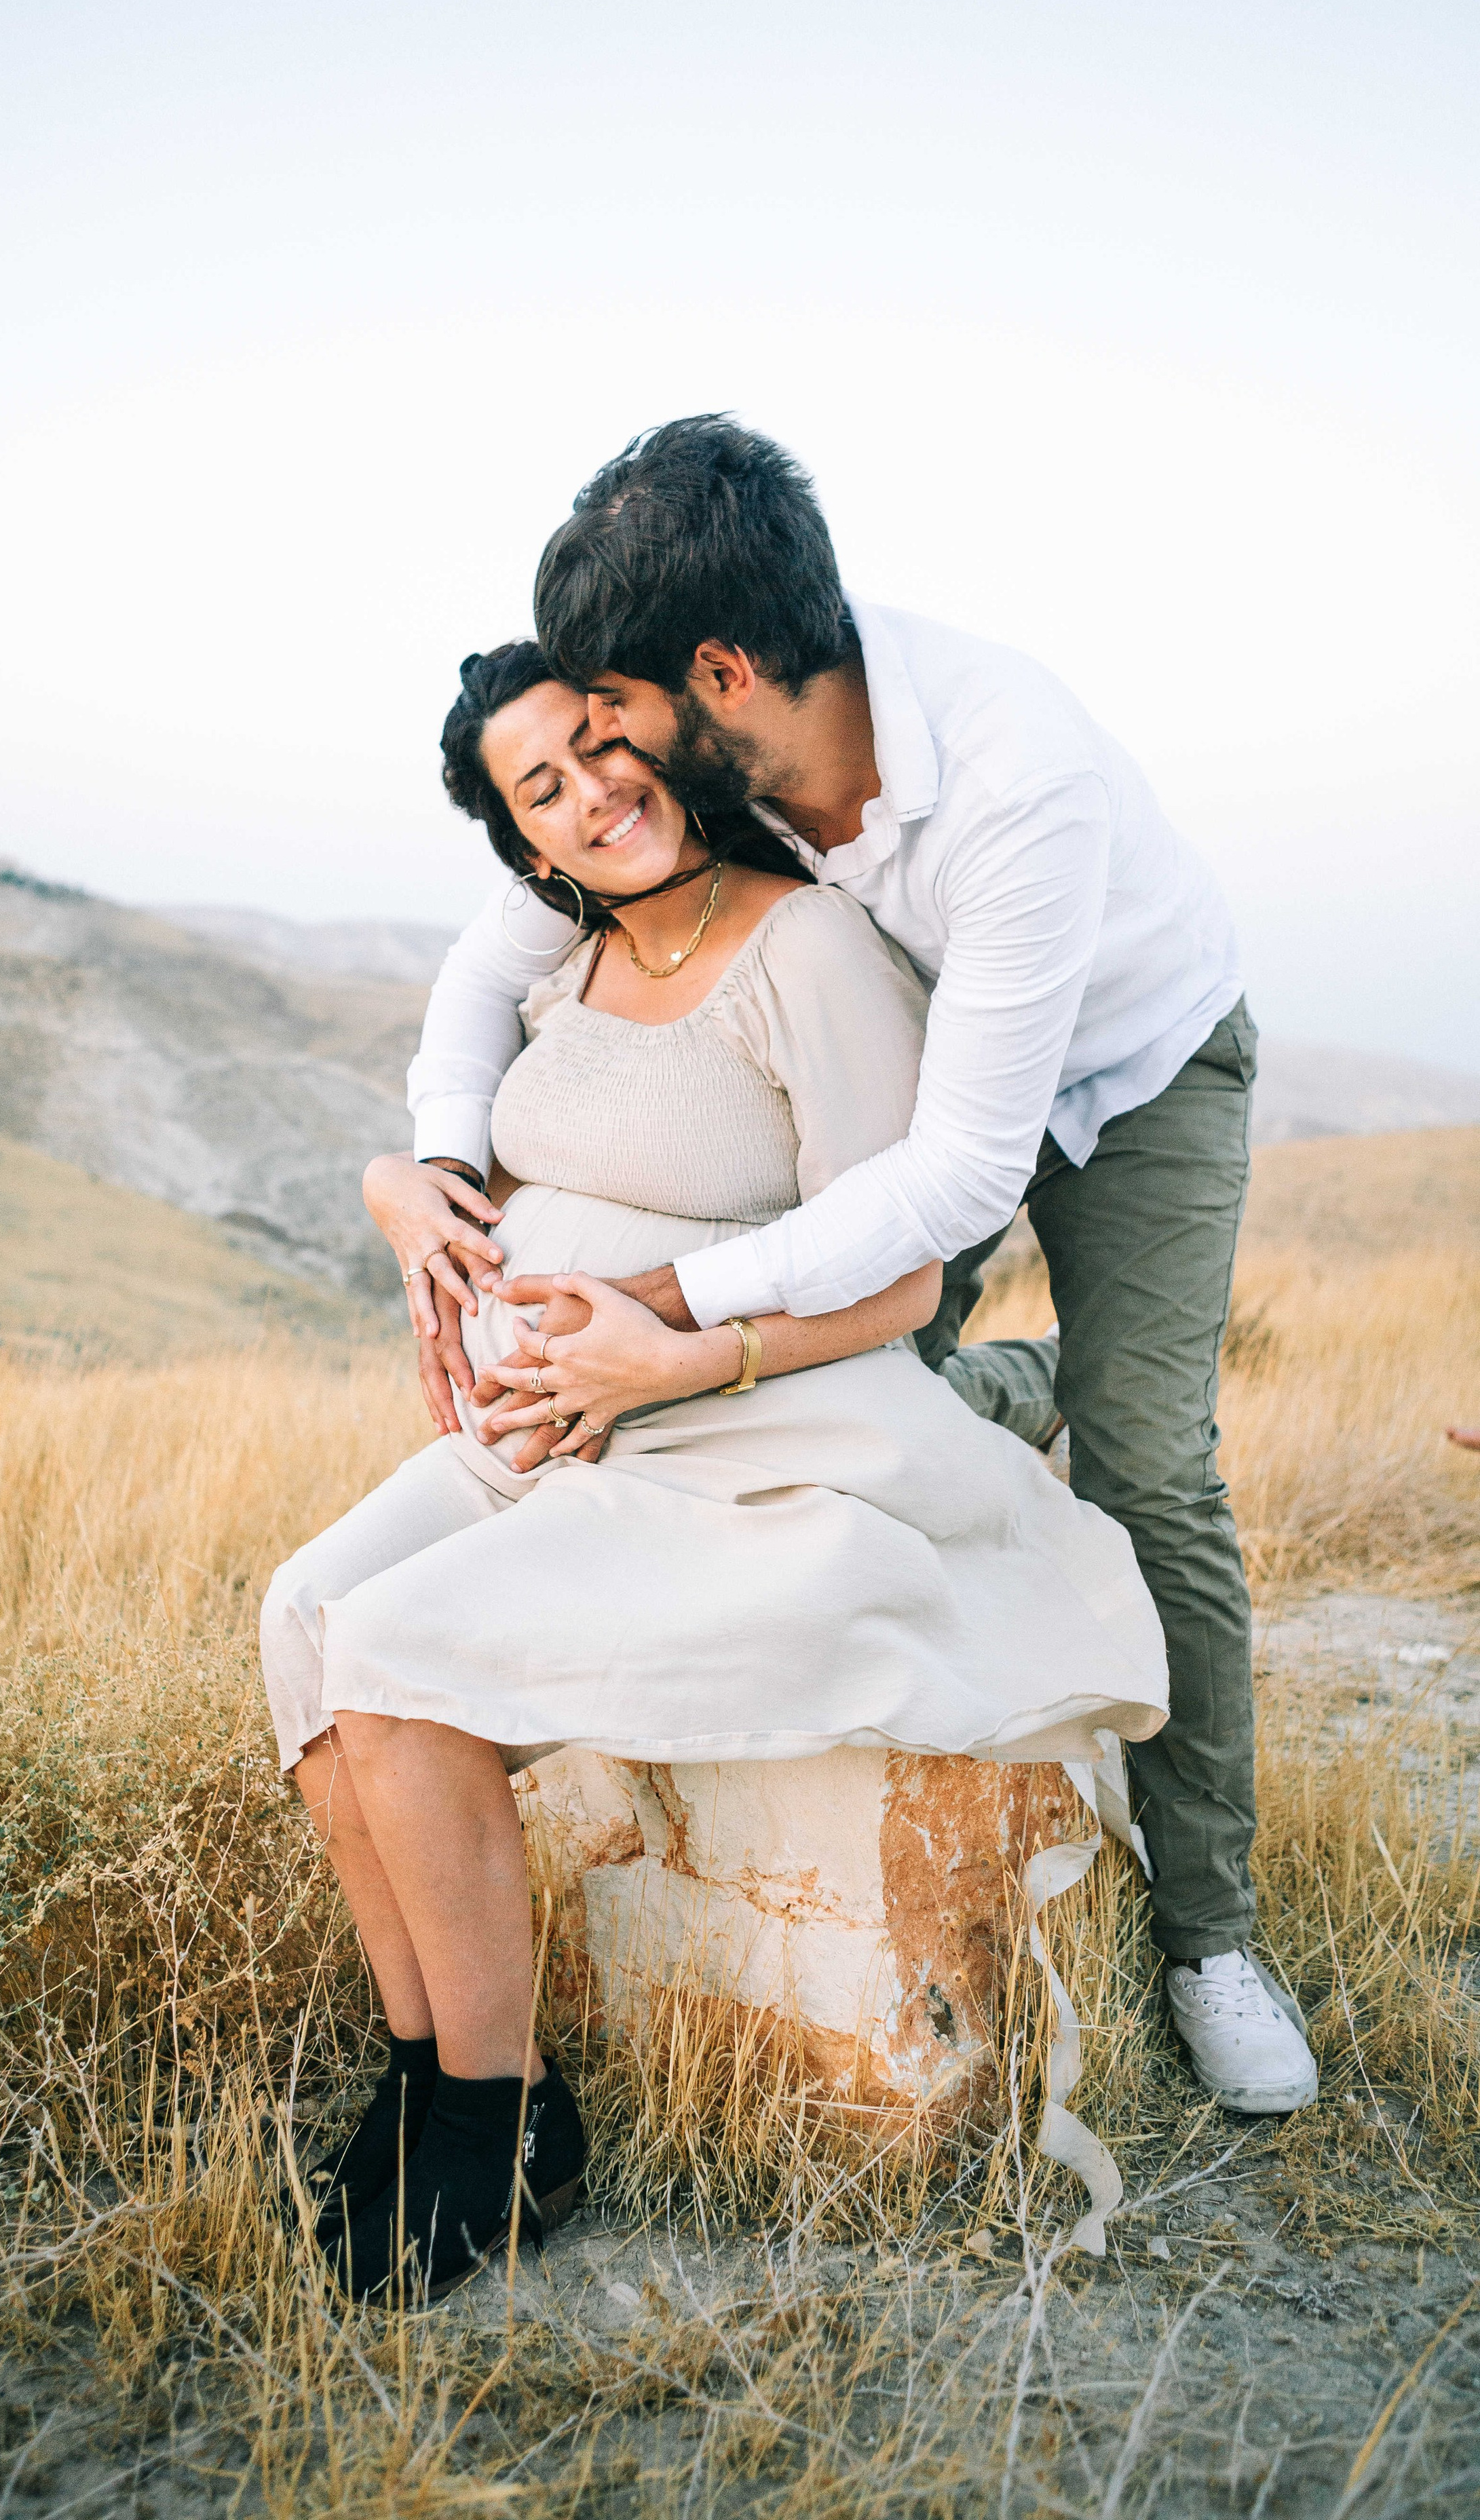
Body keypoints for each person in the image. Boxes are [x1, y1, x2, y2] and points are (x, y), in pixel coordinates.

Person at [383, 417, 1319, 2120]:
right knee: (859, 1379)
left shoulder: (1009, 783)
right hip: (929, 1066)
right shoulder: (725, 748)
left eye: (613, 711)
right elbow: (483, 965)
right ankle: (996, 1424)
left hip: (1129, 1069)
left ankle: (1207, 1936)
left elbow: (959, 1173)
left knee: (1148, 1462)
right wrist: (436, 1167)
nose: (601, 755)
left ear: (717, 672)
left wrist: (668, 1312)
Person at [262, 643, 1169, 2302]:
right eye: (545, 785)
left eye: (605, 747)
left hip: (735, 1427)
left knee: (393, 1674)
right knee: (305, 1614)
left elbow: (898, 1278)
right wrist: (405, 1182)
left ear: (666, 736)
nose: (597, 790)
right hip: (543, 1431)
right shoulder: (564, 966)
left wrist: (675, 1353)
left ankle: (497, 2114)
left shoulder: (806, 944)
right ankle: (426, 2069)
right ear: (524, 846)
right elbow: (469, 1132)